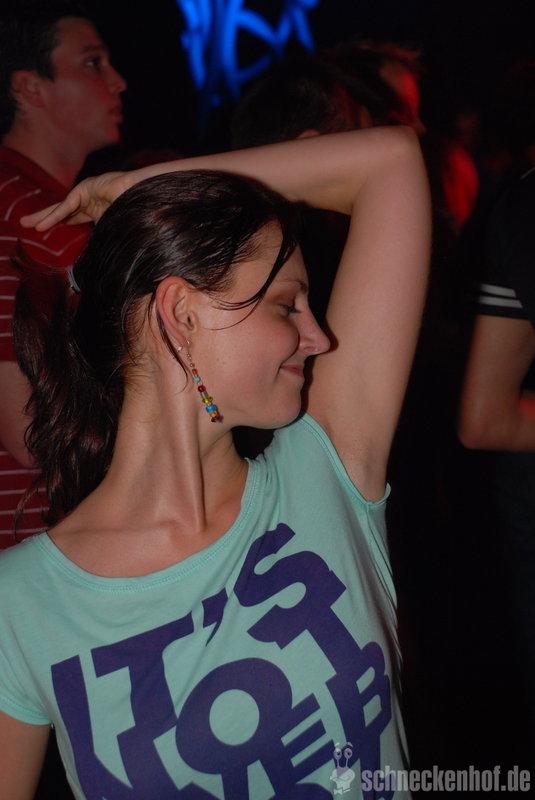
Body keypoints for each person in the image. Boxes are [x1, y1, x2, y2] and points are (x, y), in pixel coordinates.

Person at [0, 126, 430, 798]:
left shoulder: (326, 468)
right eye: (286, 305)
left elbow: (389, 163)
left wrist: (144, 191)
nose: (318, 338)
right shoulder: (21, 603)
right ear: (181, 313)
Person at [0, 0, 126, 546]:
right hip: (35, 545)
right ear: (30, 88)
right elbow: (29, 430)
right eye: (93, 63)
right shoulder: (19, 213)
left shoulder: (37, 209)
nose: (118, 82)